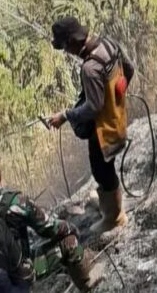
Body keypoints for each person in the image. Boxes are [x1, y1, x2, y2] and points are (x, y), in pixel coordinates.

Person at [0, 156, 93, 292]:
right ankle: (87, 286)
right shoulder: (15, 201)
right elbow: (50, 228)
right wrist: (71, 229)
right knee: (69, 242)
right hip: (19, 278)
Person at [48, 16, 134, 235]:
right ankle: (107, 204)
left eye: (65, 47)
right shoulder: (108, 43)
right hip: (117, 116)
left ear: (72, 42)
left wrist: (66, 115)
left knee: (102, 170)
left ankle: (114, 217)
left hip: (104, 129)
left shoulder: (89, 68)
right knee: (105, 168)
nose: (66, 52)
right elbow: (129, 68)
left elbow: (93, 107)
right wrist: (118, 94)